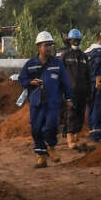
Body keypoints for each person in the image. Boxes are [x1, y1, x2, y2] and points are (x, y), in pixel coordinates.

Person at [17, 31, 71, 168]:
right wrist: (30, 82)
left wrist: (69, 98)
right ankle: (41, 156)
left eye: (50, 45)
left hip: (53, 102)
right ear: (39, 47)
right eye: (46, 45)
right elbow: (22, 78)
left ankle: (51, 148)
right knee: (36, 129)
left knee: (51, 125)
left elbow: (65, 82)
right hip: (36, 102)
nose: (49, 48)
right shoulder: (30, 64)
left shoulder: (57, 63)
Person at [57, 28, 93, 152]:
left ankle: (77, 137)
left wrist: (89, 91)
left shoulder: (84, 57)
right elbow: (59, 73)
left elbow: (88, 75)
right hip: (70, 91)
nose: (76, 42)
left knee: (80, 115)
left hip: (82, 91)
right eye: (74, 40)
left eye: (78, 40)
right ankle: (70, 139)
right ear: (70, 40)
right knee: (71, 114)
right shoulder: (65, 56)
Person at [84, 33, 101, 144]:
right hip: (97, 82)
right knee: (100, 105)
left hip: (87, 84)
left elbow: (92, 64)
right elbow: (98, 63)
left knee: (91, 106)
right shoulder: (100, 51)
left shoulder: (87, 51)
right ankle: (97, 134)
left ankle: (92, 131)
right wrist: (98, 76)